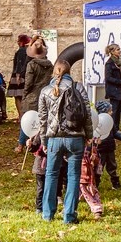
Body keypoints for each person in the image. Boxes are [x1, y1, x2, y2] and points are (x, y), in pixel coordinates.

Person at [34, 58, 95, 224]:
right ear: (69, 72)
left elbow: (42, 118)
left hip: (54, 138)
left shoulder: (45, 91)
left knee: (51, 174)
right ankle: (69, 215)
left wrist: (44, 141)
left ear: (54, 72)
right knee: (74, 175)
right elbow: (87, 113)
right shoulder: (78, 87)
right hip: (76, 137)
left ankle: (47, 214)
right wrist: (89, 135)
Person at [20, 37, 52, 123]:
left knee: (29, 125)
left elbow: (28, 83)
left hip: (32, 98)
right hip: (46, 97)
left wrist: (25, 95)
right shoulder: (50, 65)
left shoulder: (31, 65)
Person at [10, 34, 32, 107]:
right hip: (25, 74)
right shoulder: (28, 51)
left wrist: (18, 76)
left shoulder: (22, 50)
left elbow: (19, 63)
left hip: (19, 75)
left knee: (18, 96)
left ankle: (21, 115)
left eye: (19, 41)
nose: (17, 42)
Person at [103, 43, 121, 107]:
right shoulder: (109, 63)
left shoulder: (119, 62)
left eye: (120, 49)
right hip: (114, 91)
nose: (120, 51)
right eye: (118, 50)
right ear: (112, 52)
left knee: (119, 112)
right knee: (114, 111)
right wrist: (120, 82)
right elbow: (108, 78)